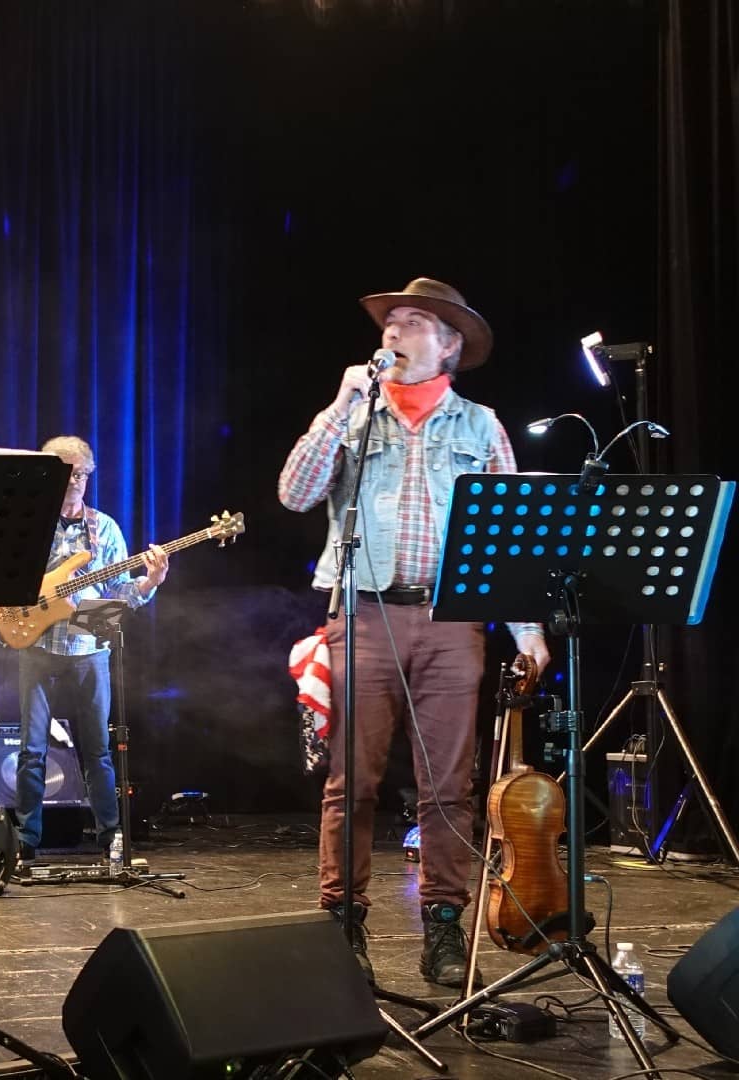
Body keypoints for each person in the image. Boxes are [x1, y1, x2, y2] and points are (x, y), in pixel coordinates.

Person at [277, 277, 551, 987]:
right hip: (363, 613)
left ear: (450, 345)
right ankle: (343, 924)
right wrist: (339, 407)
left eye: (412, 322)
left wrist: (525, 628)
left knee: (446, 788)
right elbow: (296, 492)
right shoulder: (354, 415)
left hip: (451, 620)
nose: (393, 332)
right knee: (353, 783)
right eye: (389, 321)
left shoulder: (480, 425)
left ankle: (442, 928)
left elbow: (510, 539)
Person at [11, 435, 168, 865]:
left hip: (88, 644)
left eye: (82, 474)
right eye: (67, 473)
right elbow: (5, 578)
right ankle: (26, 840)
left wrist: (149, 583)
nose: (76, 482)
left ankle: (110, 836)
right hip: (38, 641)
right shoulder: (29, 524)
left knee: (98, 748)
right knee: (32, 748)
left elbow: (118, 595)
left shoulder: (105, 529)